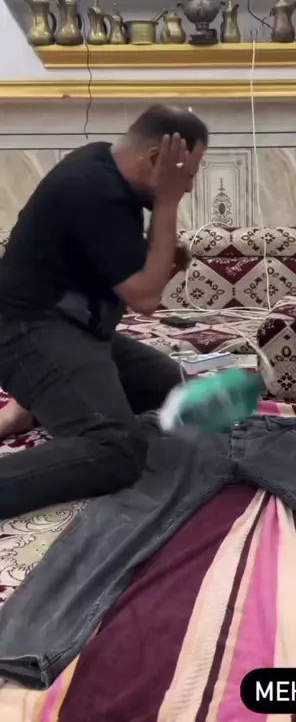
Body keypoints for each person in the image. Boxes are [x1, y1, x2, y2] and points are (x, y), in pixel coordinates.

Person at [0, 104, 208, 518]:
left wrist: (160, 250)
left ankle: (37, 405)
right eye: (186, 174)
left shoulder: (107, 167)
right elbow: (145, 300)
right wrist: (167, 200)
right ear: (156, 159)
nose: (188, 186)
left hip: (77, 330)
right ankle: (42, 395)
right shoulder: (93, 188)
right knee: (116, 450)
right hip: (26, 331)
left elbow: (122, 266)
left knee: (175, 390)